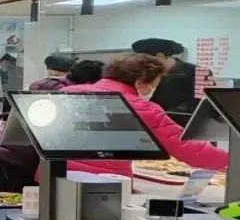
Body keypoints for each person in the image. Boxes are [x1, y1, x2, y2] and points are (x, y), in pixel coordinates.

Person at [62, 54, 227, 177]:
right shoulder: (142, 108)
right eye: (154, 85)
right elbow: (190, 149)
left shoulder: (67, 93)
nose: (154, 90)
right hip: (104, 181)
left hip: (56, 175)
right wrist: (232, 162)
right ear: (140, 82)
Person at [131, 38, 209, 116]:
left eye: (145, 61)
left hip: (185, 121)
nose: (143, 65)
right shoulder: (144, 74)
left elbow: (205, 109)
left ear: (160, 56)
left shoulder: (199, 73)